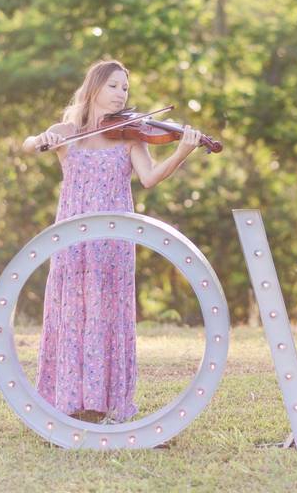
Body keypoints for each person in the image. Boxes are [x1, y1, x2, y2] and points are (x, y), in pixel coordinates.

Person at [20, 59, 202, 424]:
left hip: (113, 242)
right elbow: (28, 145)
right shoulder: (67, 131)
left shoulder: (131, 135)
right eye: (114, 86)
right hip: (72, 238)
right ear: (95, 88)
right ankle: (68, 400)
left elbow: (149, 178)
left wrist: (181, 152)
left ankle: (104, 403)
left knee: (108, 315)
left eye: (125, 88)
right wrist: (43, 139)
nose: (122, 94)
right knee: (71, 313)